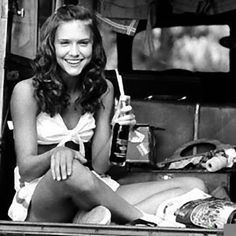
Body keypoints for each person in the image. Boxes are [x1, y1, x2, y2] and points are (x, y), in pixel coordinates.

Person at [8, 4, 207, 225]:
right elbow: (26, 170)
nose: (74, 52)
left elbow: (101, 167)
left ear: (94, 46)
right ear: (51, 47)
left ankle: (93, 218)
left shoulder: (104, 89)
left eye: (83, 43)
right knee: (72, 170)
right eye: (65, 43)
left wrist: (118, 131)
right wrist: (59, 153)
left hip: (90, 187)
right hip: (43, 197)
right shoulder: (27, 91)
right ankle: (141, 221)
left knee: (195, 186)